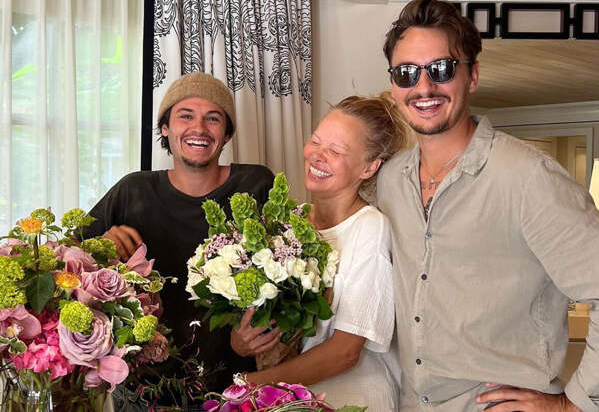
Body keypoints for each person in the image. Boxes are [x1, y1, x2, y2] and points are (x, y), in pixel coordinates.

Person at [378, 0, 599, 411]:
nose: (423, 87)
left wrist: (575, 404)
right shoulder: (390, 181)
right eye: (406, 73)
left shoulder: (528, 179)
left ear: (472, 75)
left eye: (442, 68)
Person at [82, 72, 278, 394]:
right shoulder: (133, 190)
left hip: (233, 385)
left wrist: (254, 334)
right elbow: (67, 265)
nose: (199, 128)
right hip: (142, 386)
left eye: (212, 118)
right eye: (185, 116)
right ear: (165, 128)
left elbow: (288, 274)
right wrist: (101, 248)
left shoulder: (256, 185)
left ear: (227, 133)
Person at [232, 94, 412, 411]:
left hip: (351, 399)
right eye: (316, 141)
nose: (317, 155)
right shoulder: (291, 222)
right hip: (289, 399)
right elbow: (263, 323)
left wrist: (252, 386)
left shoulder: (369, 229)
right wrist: (242, 340)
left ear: (369, 167)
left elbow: (345, 352)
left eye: (335, 151)